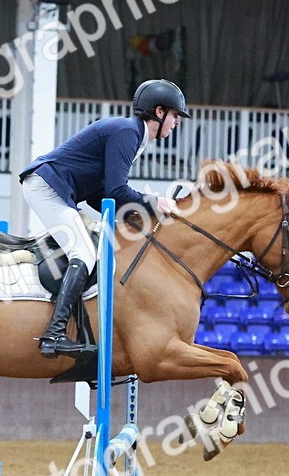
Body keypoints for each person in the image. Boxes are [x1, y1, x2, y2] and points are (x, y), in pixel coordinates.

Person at [19, 78, 190, 358]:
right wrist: (156, 203)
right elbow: (117, 190)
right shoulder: (128, 133)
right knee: (84, 252)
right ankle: (53, 335)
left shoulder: (132, 135)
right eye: (174, 115)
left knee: (89, 248)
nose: (176, 123)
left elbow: (99, 196)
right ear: (159, 112)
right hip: (46, 187)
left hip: (56, 188)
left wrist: (133, 219)